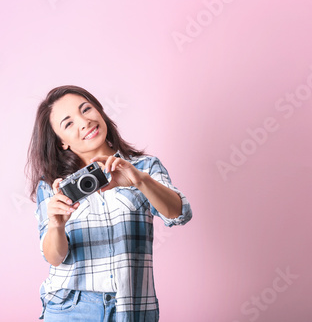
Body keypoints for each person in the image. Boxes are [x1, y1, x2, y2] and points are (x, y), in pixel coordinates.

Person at [25, 85, 192, 321]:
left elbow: (179, 214)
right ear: (62, 142)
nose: (84, 122)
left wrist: (139, 181)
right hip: (72, 308)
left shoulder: (144, 167)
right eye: (69, 123)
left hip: (133, 306)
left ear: (100, 113)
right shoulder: (53, 186)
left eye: (86, 109)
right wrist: (56, 225)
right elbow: (54, 257)